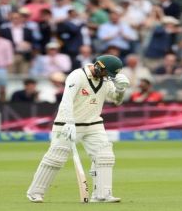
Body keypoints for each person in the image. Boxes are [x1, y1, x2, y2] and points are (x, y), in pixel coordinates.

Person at [27, 55, 130, 203]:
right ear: (98, 66)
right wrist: (68, 122)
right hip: (67, 124)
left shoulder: (105, 80)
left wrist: (121, 90)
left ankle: (102, 195)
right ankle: (35, 192)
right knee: (55, 159)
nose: (108, 77)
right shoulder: (77, 75)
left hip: (94, 124)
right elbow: (66, 99)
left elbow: (116, 101)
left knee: (105, 156)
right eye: (106, 73)